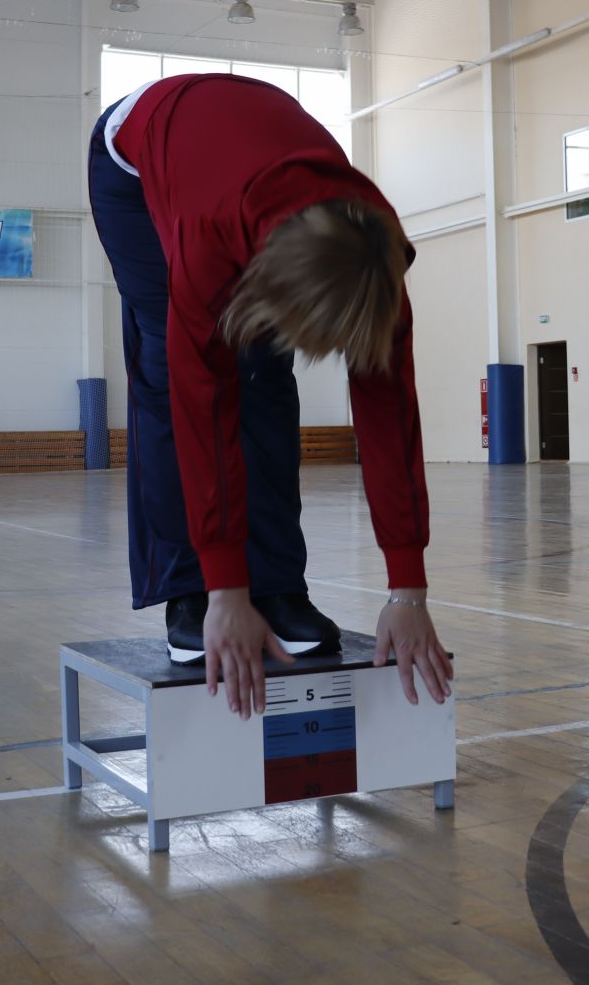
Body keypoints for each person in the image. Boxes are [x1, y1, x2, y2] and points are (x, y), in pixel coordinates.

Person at [88, 73, 452, 719]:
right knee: (175, 376)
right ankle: (191, 592)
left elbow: (391, 420)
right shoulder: (205, 238)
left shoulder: (376, 267)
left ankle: (279, 585)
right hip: (133, 161)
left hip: (239, 163)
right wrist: (226, 587)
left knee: (265, 377)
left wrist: (408, 590)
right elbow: (202, 410)